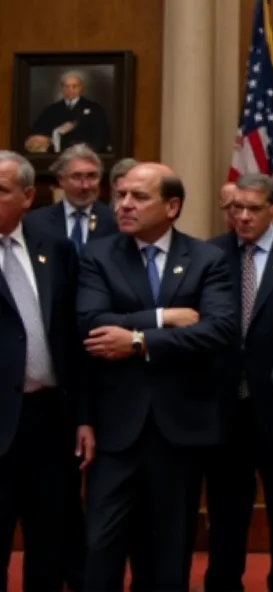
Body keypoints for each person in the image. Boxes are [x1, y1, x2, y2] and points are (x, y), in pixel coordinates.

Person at [75, 162, 237, 591]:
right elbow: (92, 323)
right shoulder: (98, 255)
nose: (124, 204)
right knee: (100, 548)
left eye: (139, 197)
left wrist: (137, 342)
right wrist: (165, 317)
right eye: (121, 194)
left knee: (168, 554)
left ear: (172, 206)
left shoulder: (207, 259)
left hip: (180, 428)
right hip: (116, 429)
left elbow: (218, 330)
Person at [204, 173, 273, 592]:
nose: (242, 216)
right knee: (226, 513)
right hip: (222, 407)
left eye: (252, 209)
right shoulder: (208, 255)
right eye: (236, 208)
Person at [0, 150, 94, 592]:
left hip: (50, 421)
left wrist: (83, 417)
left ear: (27, 196)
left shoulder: (54, 249)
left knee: (49, 547)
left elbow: (73, 340)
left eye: (0, 191)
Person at [25, 144, 117, 252]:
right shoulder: (36, 222)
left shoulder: (114, 220)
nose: (85, 186)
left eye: (92, 176)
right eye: (76, 177)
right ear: (61, 180)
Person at [26, 71, 111, 154]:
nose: (70, 90)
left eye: (74, 86)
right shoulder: (51, 110)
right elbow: (38, 133)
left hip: (83, 156)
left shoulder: (95, 109)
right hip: (55, 157)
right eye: (66, 86)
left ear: (82, 88)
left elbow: (100, 136)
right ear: (62, 88)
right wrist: (56, 132)